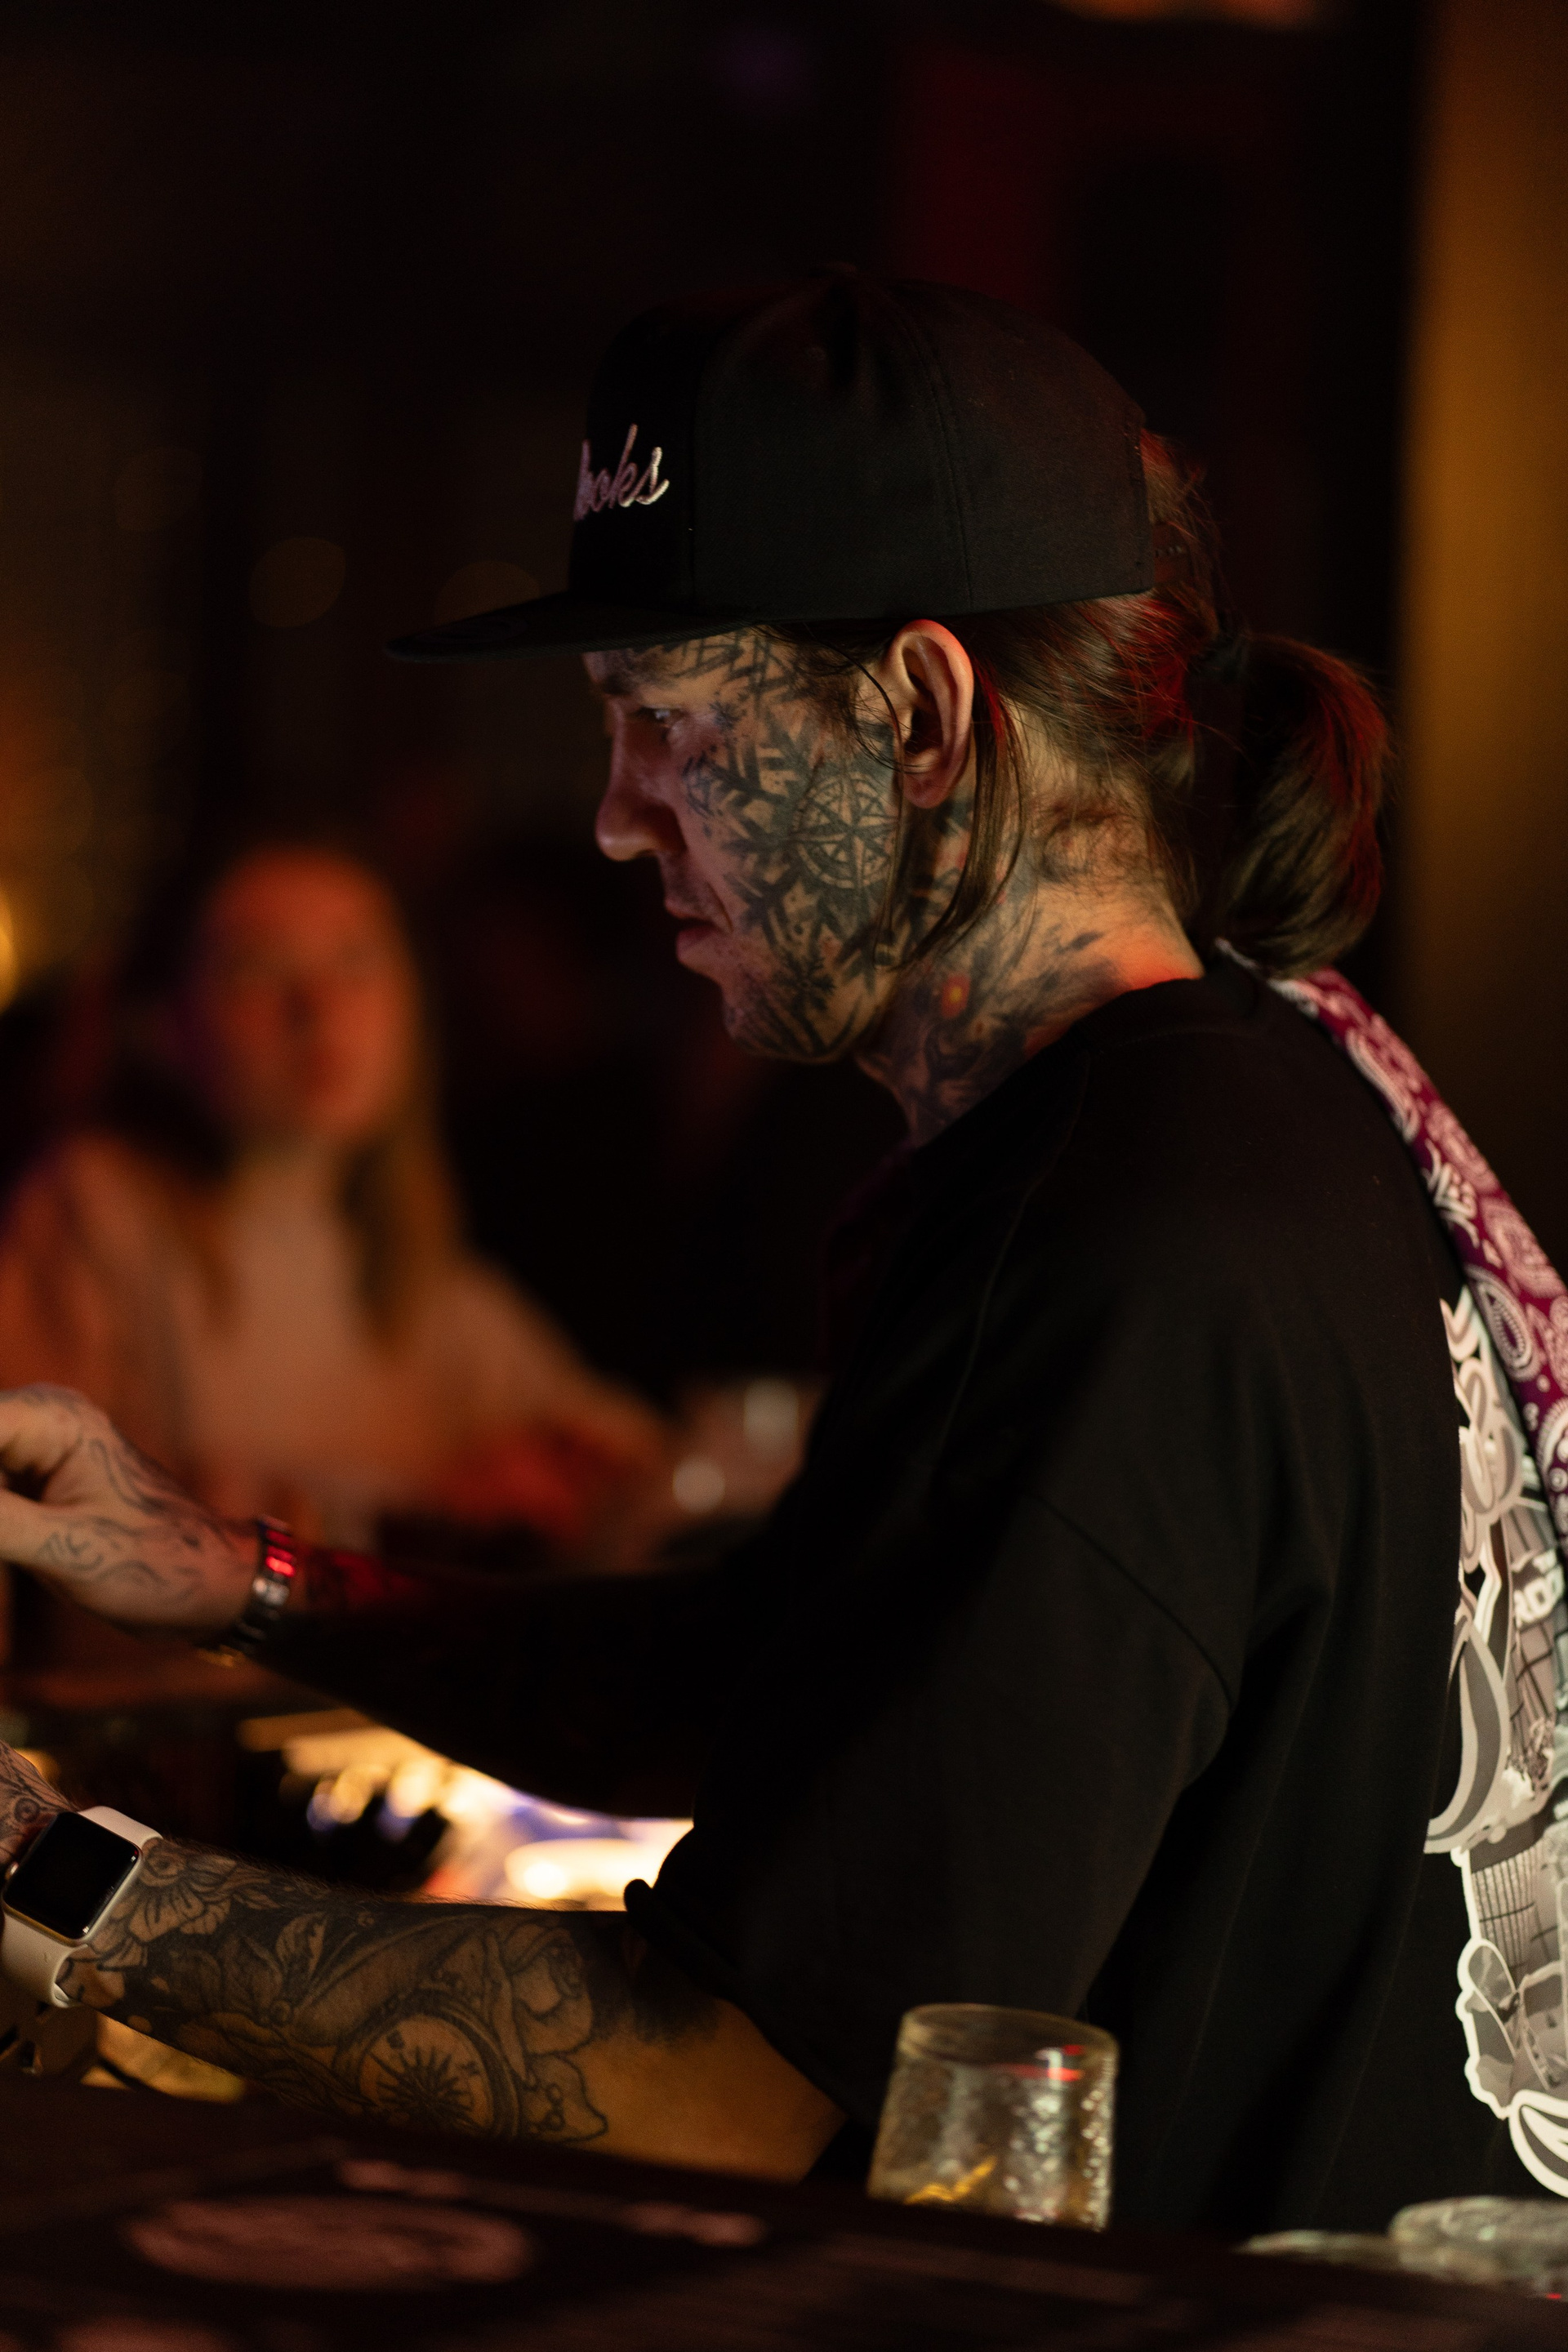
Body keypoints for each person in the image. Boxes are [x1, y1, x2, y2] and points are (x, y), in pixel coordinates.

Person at [0, 273, 1549, 2231]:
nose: (613, 821)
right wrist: (241, 1576)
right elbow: (797, 1686)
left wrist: (47, 1876)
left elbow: (713, 2084)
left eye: (662, 722)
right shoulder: (1264, 1089)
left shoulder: (1119, 1235)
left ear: (923, 717)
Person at [0, 841, 662, 1579]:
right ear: (160, 1025)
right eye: (257, 969)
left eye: (357, 962)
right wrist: (416, 1509)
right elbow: (57, 1497)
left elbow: (625, 1449)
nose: (319, 1008)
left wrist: (568, 1468)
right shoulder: (95, 1210)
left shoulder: (412, 1269)